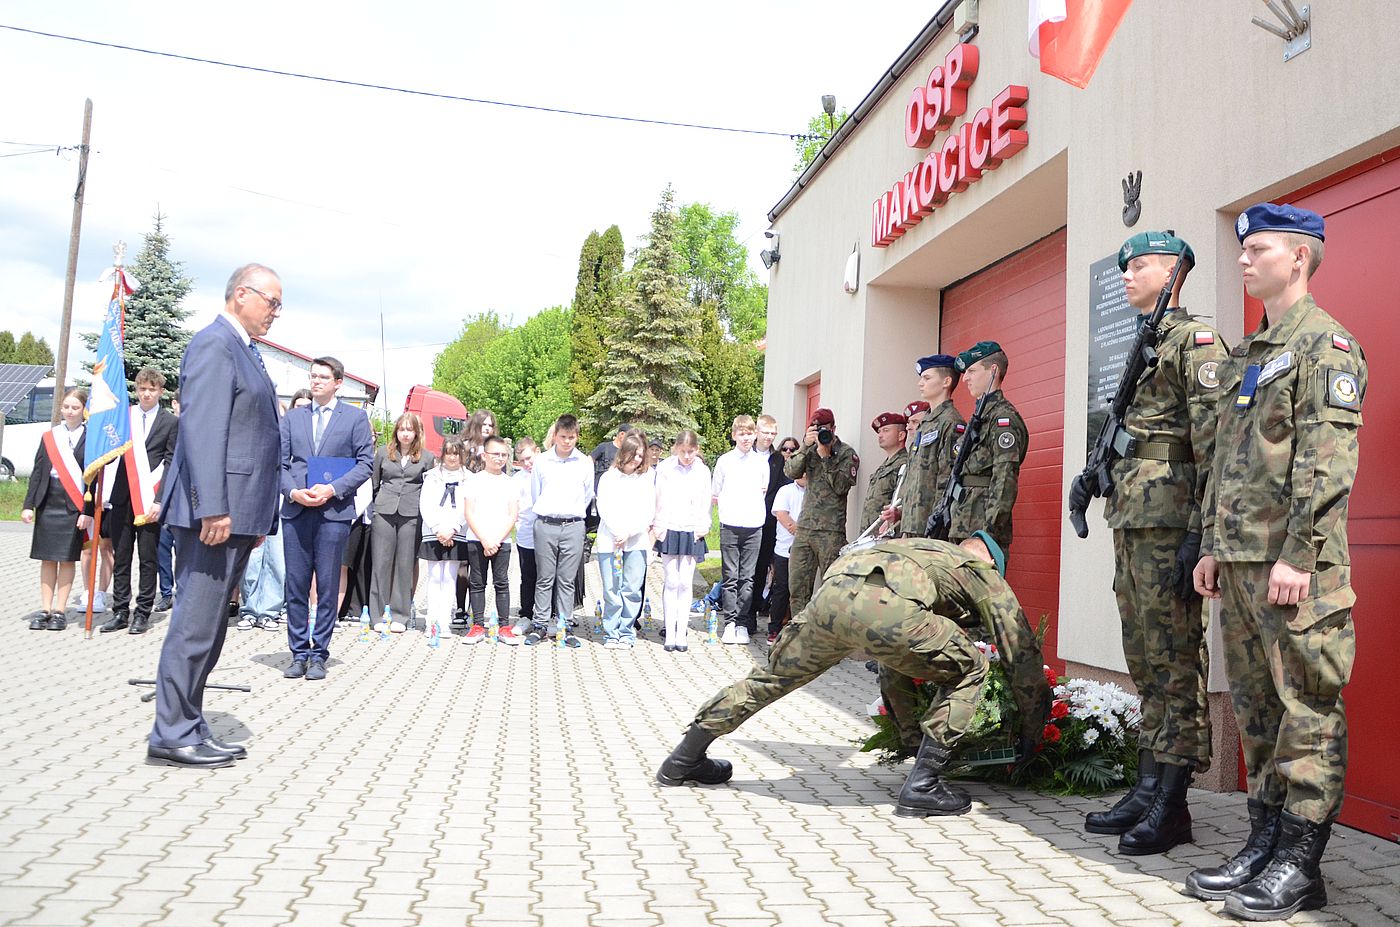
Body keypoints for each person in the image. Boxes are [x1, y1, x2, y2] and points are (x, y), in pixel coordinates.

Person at [1188, 205, 1366, 920]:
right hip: (1240, 564)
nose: (1243, 258)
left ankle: (1300, 861)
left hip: (1295, 569)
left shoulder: (1327, 346)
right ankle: (1264, 842)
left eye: (1257, 248)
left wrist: (1299, 553)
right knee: (1259, 713)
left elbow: (1327, 464)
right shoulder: (1250, 354)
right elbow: (1225, 462)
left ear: (1298, 257)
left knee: (1307, 712)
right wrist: (1211, 544)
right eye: (1242, 248)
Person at [656, 533, 1051, 819]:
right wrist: (1034, 731)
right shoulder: (981, 572)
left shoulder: (917, 547)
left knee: (771, 679)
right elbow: (1021, 652)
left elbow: (895, 664)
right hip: (888, 609)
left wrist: (910, 740)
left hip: (829, 599)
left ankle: (684, 758)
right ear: (991, 561)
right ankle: (924, 785)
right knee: (972, 667)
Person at [1067, 232, 1227, 856]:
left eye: (1139, 265)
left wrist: (1201, 534)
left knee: (1175, 658)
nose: (1127, 275)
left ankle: (1174, 803)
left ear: (1173, 271)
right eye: (1124, 267)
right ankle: (1148, 784)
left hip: (1171, 522)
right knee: (1143, 655)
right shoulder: (1145, 341)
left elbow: (1216, 447)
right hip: (1133, 519)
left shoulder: (1195, 343)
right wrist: (1092, 475)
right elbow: (1127, 432)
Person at [147, 263, 283, 769]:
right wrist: (215, 508)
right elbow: (203, 432)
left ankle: (189, 723)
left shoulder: (243, 349)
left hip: (236, 514)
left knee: (211, 628)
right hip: (215, 515)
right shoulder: (214, 344)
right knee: (195, 624)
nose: (276, 312)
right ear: (241, 294)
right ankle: (171, 732)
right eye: (272, 301)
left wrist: (249, 516)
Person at [279, 356, 375, 682]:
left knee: (327, 585)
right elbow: (279, 463)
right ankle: (298, 653)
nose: (316, 381)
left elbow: (365, 464)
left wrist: (333, 489)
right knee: (296, 584)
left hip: (333, 513)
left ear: (338, 383)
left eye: (323, 377)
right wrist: (293, 492)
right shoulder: (293, 418)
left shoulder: (355, 418)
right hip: (296, 511)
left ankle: (319, 653)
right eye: (313, 376)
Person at [96, 368, 176, 635]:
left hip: (150, 501)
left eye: (152, 389)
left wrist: (160, 500)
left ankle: (142, 612)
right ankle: (120, 610)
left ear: (160, 392)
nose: (146, 394)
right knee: (121, 556)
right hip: (122, 497)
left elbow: (170, 462)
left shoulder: (170, 422)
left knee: (148, 559)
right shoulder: (124, 417)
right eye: (142, 389)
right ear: (136, 390)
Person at [21, 388, 92, 631]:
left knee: (66, 559)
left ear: (84, 410)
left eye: (75, 407)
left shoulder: (90, 437)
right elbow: (37, 472)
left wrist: (87, 511)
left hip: (73, 504)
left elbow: (94, 480)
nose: (70, 411)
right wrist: (28, 505)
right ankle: (45, 609)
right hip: (48, 501)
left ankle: (60, 611)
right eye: (66, 407)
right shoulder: (50, 437)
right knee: (48, 558)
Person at [948, 342, 1028, 552]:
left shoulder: (1003, 418)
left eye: (972, 371)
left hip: (981, 530)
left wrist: (987, 534)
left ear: (993, 370)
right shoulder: (979, 417)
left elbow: (1004, 479)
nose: (965, 378)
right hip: (961, 525)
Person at [783, 408, 858, 616]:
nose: (821, 433)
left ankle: (827, 633)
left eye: (824, 428)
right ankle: (800, 631)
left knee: (832, 589)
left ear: (833, 428)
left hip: (830, 532)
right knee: (797, 589)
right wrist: (805, 446)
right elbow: (790, 472)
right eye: (816, 428)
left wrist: (826, 458)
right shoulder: (809, 450)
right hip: (805, 529)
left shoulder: (846, 453)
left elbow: (841, 487)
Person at [527, 413, 593, 645]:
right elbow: (536, 493)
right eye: (563, 436)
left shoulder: (584, 463)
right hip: (546, 524)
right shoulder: (542, 461)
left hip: (573, 526)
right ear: (555, 436)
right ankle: (540, 625)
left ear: (577, 437)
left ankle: (565, 625)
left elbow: (587, 496)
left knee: (566, 579)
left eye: (571, 437)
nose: (567, 441)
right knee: (545, 578)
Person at [369, 412, 434, 632]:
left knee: (405, 564)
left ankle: (400, 615)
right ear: (396, 431)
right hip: (384, 511)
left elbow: (429, 489)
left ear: (417, 433)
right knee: (381, 563)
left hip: (411, 513)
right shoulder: (382, 453)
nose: (405, 434)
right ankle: (377, 616)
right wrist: (377, 505)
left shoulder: (427, 457)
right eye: (402, 429)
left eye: (410, 430)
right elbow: (374, 483)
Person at [890, 357, 963, 538]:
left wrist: (937, 523)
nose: (920, 383)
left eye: (927, 378)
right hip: (912, 525)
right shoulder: (926, 424)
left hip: (931, 528)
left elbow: (947, 479)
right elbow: (916, 478)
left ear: (946, 382)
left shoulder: (951, 422)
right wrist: (902, 513)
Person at [595, 432, 655, 649]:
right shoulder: (609, 478)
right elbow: (603, 507)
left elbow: (648, 511)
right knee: (611, 589)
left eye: (640, 455)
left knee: (631, 589)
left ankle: (626, 631)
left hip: (636, 541)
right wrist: (617, 531)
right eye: (633, 454)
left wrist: (630, 532)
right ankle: (611, 632)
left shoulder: (646, 479)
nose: (637, 459)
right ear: (623, 453)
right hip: (610, 541)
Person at [712, 415, 769, 645]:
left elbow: (763, 491)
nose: (746, 438)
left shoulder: (761, 463)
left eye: (749, 433)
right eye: (742, 434)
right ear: (734, 435)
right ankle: (729, 623)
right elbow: (716, 492)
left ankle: (742, 623)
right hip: (730, 525)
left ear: (755, 435)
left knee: (747, 577)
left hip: (753, 526)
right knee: (730, 577)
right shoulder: (725, 461)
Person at [652, 430, 710, 653]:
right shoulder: (665, 468)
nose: (686, 456)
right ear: (676, 448)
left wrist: (702, 527)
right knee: (671, 580)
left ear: (697, 450)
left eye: (691, 451)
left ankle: (681, 632)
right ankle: (670, 632)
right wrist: (658, 527)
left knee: (685, 582)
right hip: (670, 528)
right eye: (683, 451)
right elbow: (658, 498)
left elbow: (705, 501)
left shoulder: (702, 471)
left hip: (691, 529)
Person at [462, 434, 520, 644]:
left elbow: (512, 515)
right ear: (484, 455)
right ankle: (477, 625)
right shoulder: (473, 481)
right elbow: (469, 512)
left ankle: (504, 627)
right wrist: (484, 539)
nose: (500, 458)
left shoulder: (510, 483)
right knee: (477, 583)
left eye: (504, 455)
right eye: (495, 454)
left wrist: (496, 539)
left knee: (501, 583)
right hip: (477, 539)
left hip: (501, 541)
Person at [418, 437, 470, 638]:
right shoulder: (432, 476)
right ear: (443, 454)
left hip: (457, 532)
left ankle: (444, 621)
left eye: (456, 453)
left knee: (449, 577)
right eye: (449, 453)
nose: (452, 457)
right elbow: (425, 504)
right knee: (434, 576)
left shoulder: (469, 478)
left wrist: (454, 528)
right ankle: (431, 621)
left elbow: (467, 506)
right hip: (434, 532)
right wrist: (438, 528)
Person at [744, 414, 786, 627]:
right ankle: (738, 613)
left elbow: (780, 489)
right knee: (742, 570)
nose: (769, 437)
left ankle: (751, 614)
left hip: (767, 523)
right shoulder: (745, 455)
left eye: (773, 433)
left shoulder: (778, 459)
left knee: (760, 569)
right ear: (756, 432)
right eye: (765, 432)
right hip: (743, 520)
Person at [765, 472, 805, 643]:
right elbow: (781, 514)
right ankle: (774, 628)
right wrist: (799, 531)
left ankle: (799, 631)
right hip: (784, 549)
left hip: (806, 551)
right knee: (781, 589)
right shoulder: (785, 490)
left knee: (801, 590)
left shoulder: (817, 492)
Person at [860, 412, 908, 538]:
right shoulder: (885, 465)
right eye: (879, 431)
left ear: (901, 435)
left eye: (886, 430)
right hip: (872, 535)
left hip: (887, 535)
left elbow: (902, 501)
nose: (880, 435)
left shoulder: (905, 464)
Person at [512, 437, 539, 630]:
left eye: (529, 458)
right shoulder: (517, 479)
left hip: (547, 531)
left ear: (537, 452)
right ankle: (526, 613)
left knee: (548, 576)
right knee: (528, 576)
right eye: (522, 461)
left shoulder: (547, 472)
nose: (527, 464)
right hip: (526, 532)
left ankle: (551, 614)